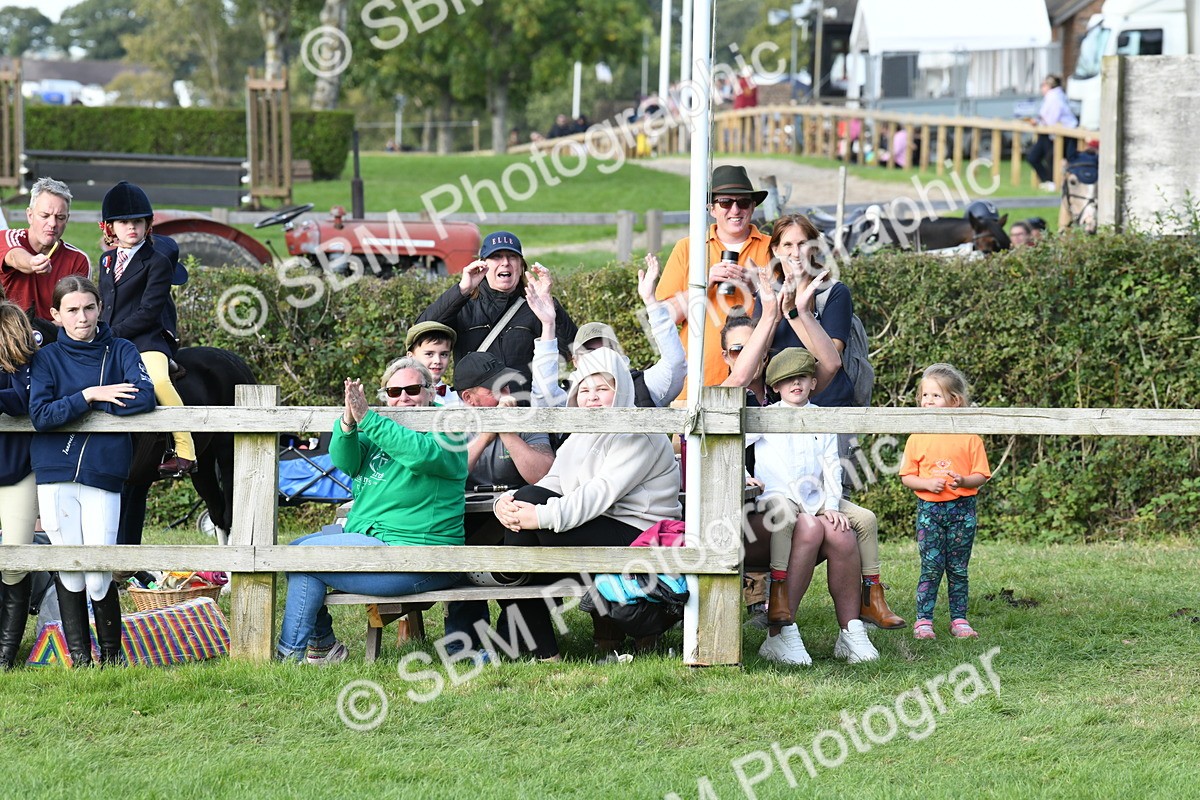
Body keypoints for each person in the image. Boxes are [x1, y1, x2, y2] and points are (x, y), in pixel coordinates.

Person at [757, 213, 905, 629]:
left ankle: (849, 602)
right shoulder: (765, 296)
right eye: (785, 246)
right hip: (781, 422)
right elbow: (756, 358)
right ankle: (777, 607)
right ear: (774, 252)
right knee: (798, 515)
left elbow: (831, 359)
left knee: (830, 511)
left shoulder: (833, 294)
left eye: (802, 244)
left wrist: (799, 312)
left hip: (828, 417)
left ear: (814, 247)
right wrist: (774, 310)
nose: (794, 253)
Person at [492, 347, 681, 661]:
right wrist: (506, 505)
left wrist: (538, 517)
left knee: (526, 548)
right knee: (522, 531)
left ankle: (533, 642)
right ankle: (537, 642)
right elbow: (553, 484)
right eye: (584, 390)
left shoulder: (638, 432)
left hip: (638, 532)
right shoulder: (580, 435)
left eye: (603, 389)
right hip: (599, 522)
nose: (592, 397)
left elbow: (598, 494)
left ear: (621, 389)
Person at [276, 359, 467, 663]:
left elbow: (418, 455)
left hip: (421, 558)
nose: (402, 397)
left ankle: (292, 656)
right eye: (394, 391)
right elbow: (345, 461)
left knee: (303, 558)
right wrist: (349, 423)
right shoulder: (377, 431)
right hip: (376, 543)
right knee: (297, 549)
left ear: (431, 393)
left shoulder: (448, 433)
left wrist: (367, 417)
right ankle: (322, 647)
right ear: (385, 396)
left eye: (413, 389)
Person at [29, 276, 156, 667]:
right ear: (56, 315)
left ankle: (113, 656)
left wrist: (96, 408)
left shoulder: (121, 349)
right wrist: (90, 395)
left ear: (100, 308)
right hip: (55, 471)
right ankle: (82, 659)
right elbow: (41, 415)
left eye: (88, 308)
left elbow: (144, 396)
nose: (81, 317)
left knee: (100, 568)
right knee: (69, 566)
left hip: (104, 469)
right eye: (71, 310)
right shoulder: (46, 358)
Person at [745, 348, 879, 665]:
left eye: (802, 378)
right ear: (775, 386)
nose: (796, 384)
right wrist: (745, 475)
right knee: (810, 524)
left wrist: (832, 505)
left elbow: (833, 466)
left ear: (813, 382)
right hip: (775, 506)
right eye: (787, 380)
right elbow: (732, 445)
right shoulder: (767, 416)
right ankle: (780, 631)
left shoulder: (822, 417)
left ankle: (851, 631)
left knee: (842, 529)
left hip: (814, 502)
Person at [443, 352, 555, 654]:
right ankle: (461, 643)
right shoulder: (450, 423)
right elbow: (449, 474)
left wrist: (507, 432)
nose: (507, 393)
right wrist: (485, 434)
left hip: (515, 515)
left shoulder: (526, 416)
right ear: (468, 397)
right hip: (466, 518)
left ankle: (513, 638)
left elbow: (542, 474)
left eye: (507, 385)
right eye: (496, 389)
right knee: (460, 558)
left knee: (523, 556)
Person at [96, 181, 194, 477]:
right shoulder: (105, 260)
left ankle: (185, 449)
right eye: (124, 222)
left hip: (147, 339)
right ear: (110, 227)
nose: (131, 228)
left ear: (147, 225)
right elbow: (105, 304)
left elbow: (149, 312)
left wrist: (111, 334)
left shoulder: (157, 261)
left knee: (159, 382)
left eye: (138, 222)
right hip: (111, 339)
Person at [656, 165, 772, 395]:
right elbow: (663, 319)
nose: (735, 210)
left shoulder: (772, 247)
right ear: (711, 208)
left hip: (758, 382)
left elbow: (788, 313)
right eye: (726, 202)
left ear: (753, 207)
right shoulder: (688, 248)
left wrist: (757, 287)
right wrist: (702, 284)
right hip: (697, 380)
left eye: (743, 202)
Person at [899, 364, 992, 640]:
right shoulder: (917, 437)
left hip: (962, 511)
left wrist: (963, 481)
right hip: (930, 511)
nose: (928, 401)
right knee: (930, 566)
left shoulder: (970, 438)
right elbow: (907, 476)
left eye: (936, 396)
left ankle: (959, 619)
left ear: (955, 401)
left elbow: (981, 475)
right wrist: (927, 483)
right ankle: (923, 620)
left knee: (958, 568)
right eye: (925, 396)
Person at [527, 256, 686, 409]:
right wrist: (548, 325)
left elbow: (676, 364)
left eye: (606, 351)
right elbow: (543, 400)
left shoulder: (643, 387)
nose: (599, 357)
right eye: (589, 351)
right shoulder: (570, 396)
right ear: (575, 361)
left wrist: (651, 301)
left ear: (621, 356)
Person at [417, 231, 576, 383]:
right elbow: (421, 332)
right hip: (473, 405)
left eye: (512, 257)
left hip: (522, 405)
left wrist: (550, 306)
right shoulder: (463, 306)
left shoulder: (534, 308)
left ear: (521, 266)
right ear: (482, 265)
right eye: (496, 257)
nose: (505, 263)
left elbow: (570, 351)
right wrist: (462, 290)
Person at [0, 302, 39, 669]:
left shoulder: (12, 323)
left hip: (15, 464)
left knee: (15, 558)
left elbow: (25, 397)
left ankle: (6, 653)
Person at [0, 178, 90, 323]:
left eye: (60, 217)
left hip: (53, 338)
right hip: (8, 334)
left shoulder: (77, 259)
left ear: (67, 219)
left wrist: (40, 334)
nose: (53, 224)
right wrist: (32, 262)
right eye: (45, 216)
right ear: (30, 215)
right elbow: (14, 256)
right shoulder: (8, 237)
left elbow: (75, 315)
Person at [1027, 74, 1079, 191]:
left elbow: (1052, 118)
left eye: (1043, 85)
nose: (1042, 88)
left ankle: (1053, 182)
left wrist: (1039, 122)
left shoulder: (1055, 97)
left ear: (1049, 86)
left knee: (1057, 158)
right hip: (1053, 133)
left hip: (1065, 133)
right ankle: (1050, 180)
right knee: (1042, 157)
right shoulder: (1054, 96)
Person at [404, 321, 460, 406]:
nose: (437, 360)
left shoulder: (458, 397)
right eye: (429, 354)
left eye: (443, 354)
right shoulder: (401, 396)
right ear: (411, 357)